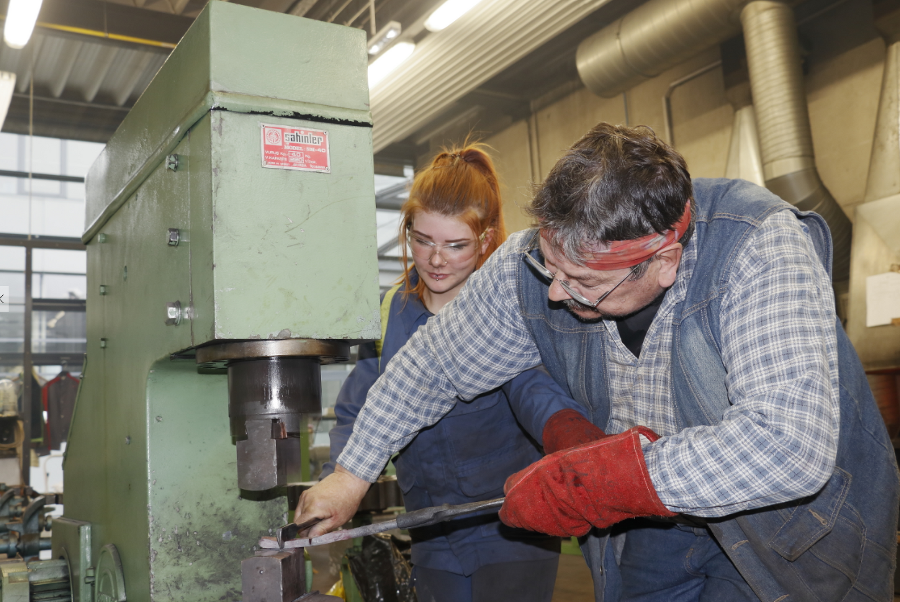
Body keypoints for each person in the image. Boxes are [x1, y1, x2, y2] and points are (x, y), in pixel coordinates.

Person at [298, 123, 899, 602]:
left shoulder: (758, 246)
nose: (555, 294)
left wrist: (613, 477)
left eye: (582, 280)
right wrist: (351, 473)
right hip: (651, 528)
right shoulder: (529, 266)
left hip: (789, 533)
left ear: (663, 261)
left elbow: (786, 447)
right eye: (551, 269)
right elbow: (432, 366)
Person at [319, 144, 586, 602]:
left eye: (455, 245)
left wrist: (570, 433)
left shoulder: (507, 307)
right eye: (423, 240)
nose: (436, 259)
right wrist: (336, 480)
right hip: (429, 527)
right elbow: (358, 406)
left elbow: (531, 388)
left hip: (509, 526)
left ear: (485, 241)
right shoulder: (392, 310)